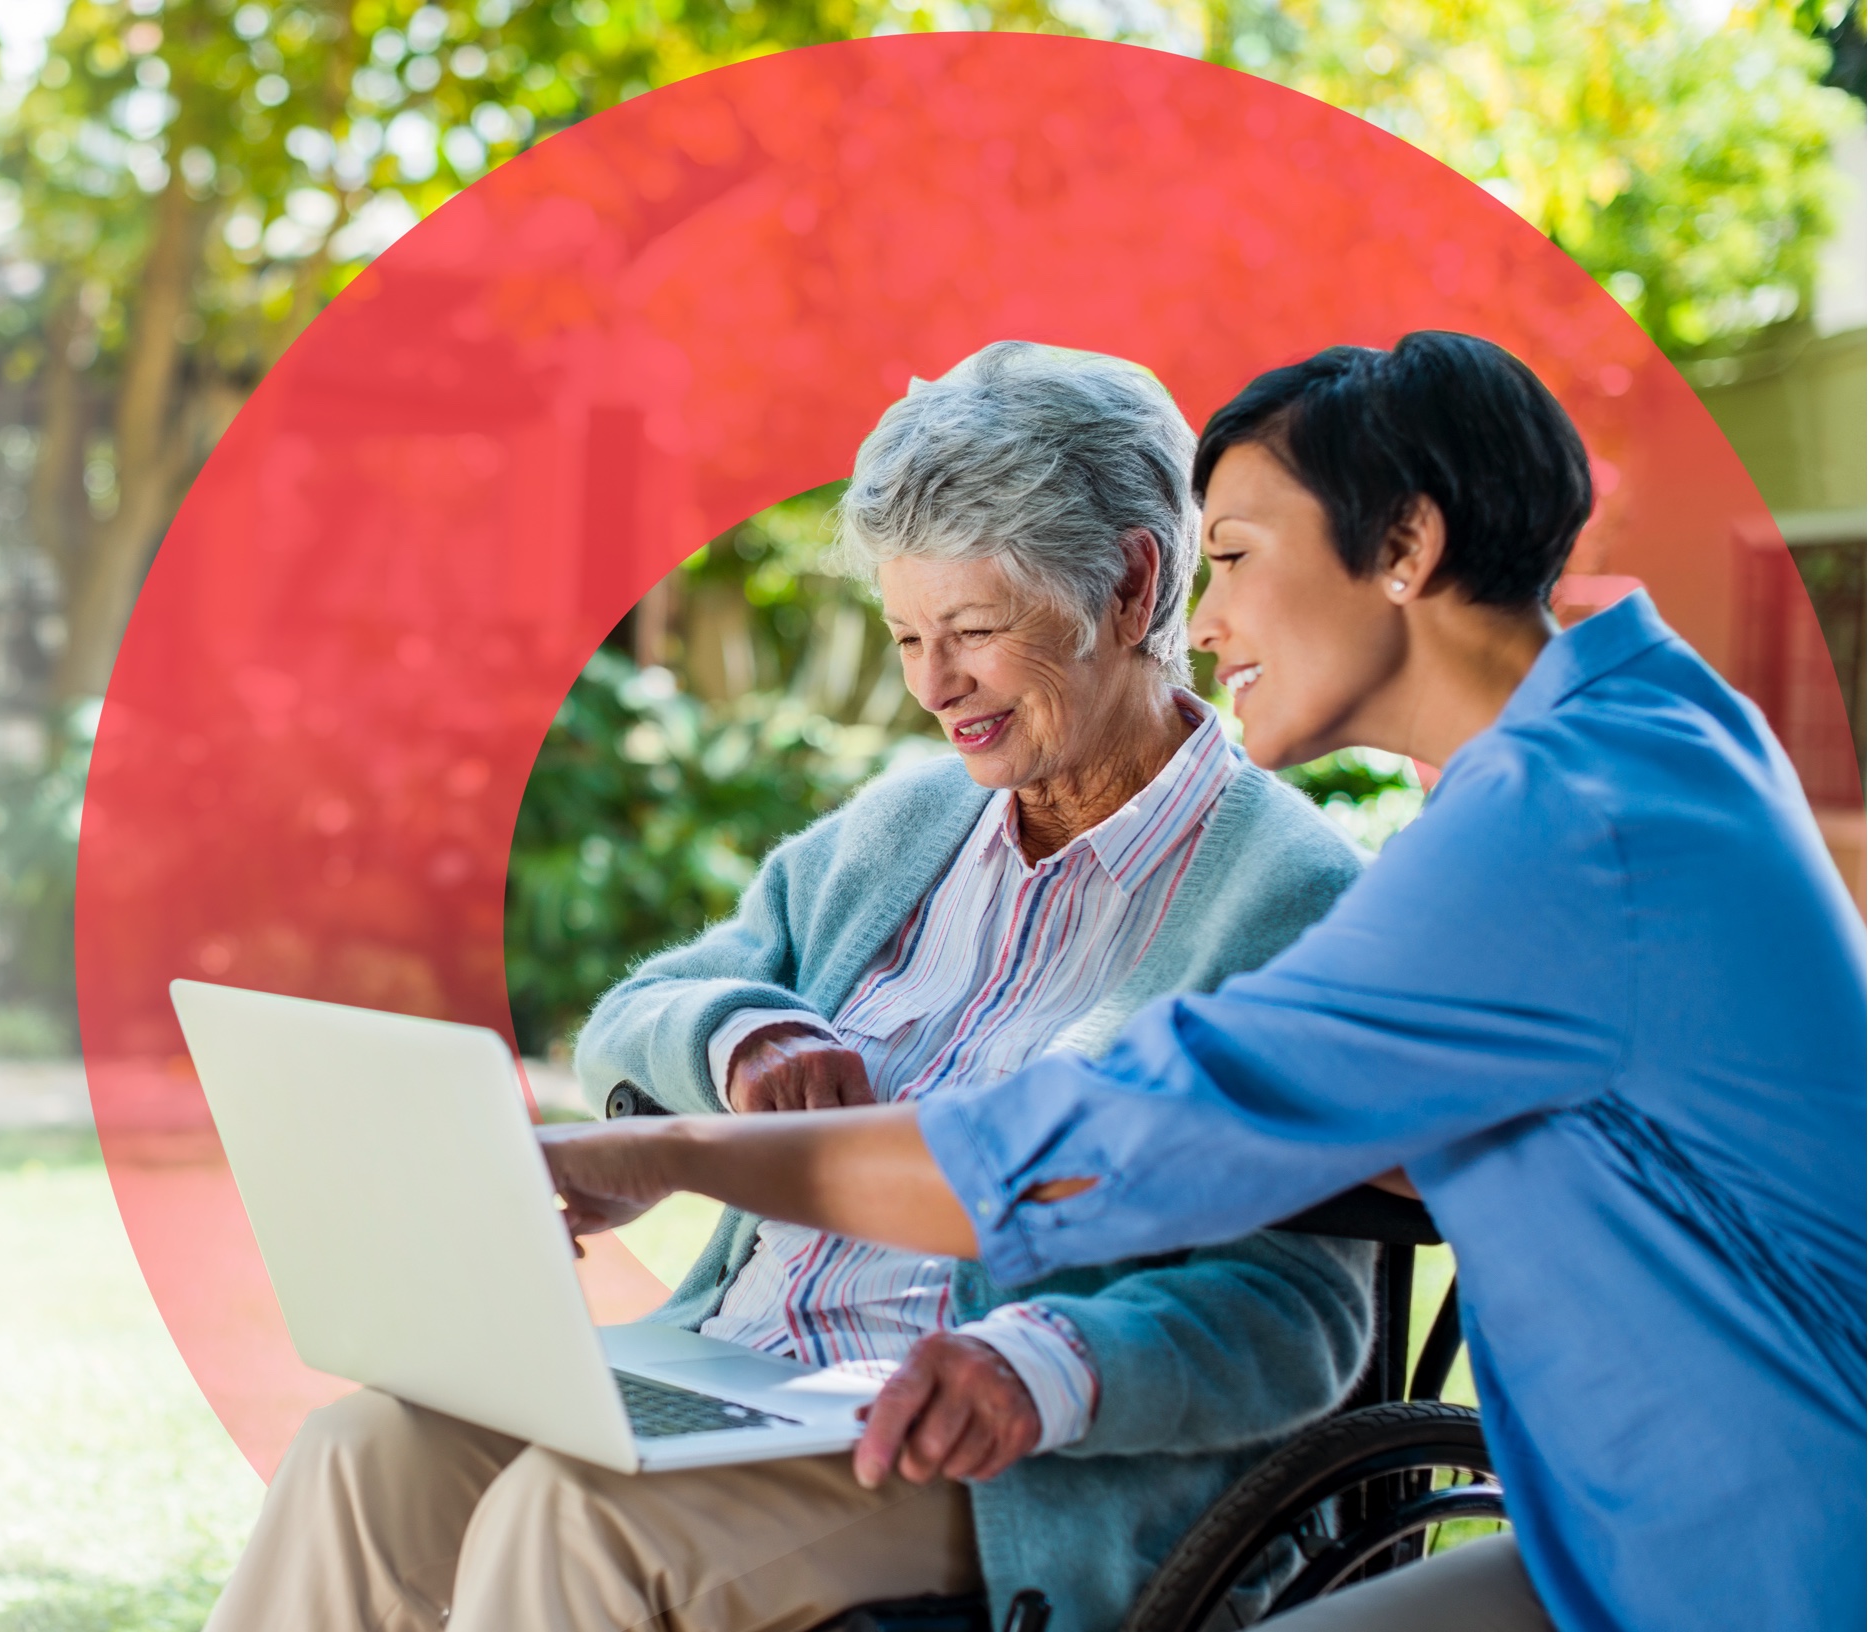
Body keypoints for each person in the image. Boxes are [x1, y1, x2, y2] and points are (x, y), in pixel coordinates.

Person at [538, 331, 1868, 1632]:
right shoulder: (1649, 729)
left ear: (1404, 546)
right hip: (1606, 1544)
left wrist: (673, 1153)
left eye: (1230, 556)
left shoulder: (1553, 832)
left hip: (1763, 1564)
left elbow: (1100, 1148)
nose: (1205, 615)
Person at [206, 342, 1377, 1632]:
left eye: (976, 632)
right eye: (907, 636)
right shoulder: (904, 829)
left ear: (1131, 584)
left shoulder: (1287, 899)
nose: (934, 688)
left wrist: (1029, 1362)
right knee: (358, 1459)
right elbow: (643, 1017)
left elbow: (1297, 1314)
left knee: (574, 1525)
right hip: (739, 1375)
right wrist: (740, 1035)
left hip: (987, 1457)